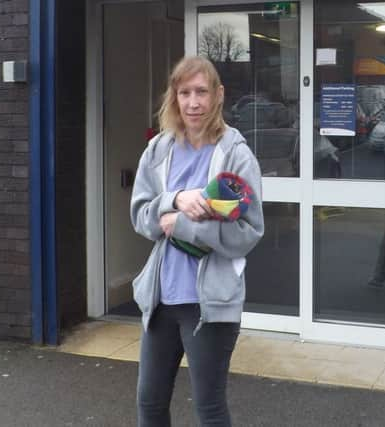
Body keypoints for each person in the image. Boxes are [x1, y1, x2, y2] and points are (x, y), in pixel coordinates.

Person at [130, 55, 264, 427]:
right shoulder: (158, 150)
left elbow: (247, 234)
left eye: (202, 92)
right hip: (160, 299)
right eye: (185, 92)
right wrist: (173, 201)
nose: (193, 102)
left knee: (209, 408)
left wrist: (182, 225)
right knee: (150, 404)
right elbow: (141, 217)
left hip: (209, 304)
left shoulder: (235, 155)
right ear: (174, 96)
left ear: (218, 95)